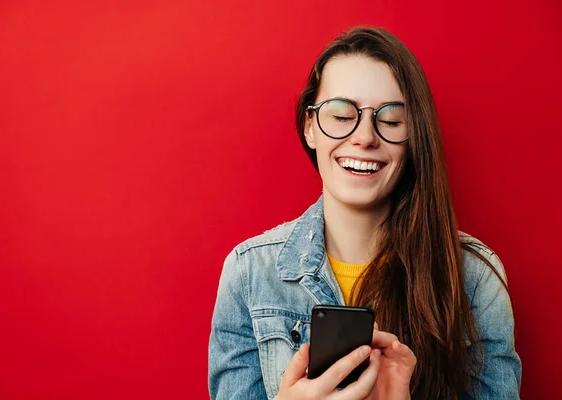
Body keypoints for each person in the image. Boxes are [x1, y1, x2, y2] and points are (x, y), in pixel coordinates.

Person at [208, 26, 521, 399]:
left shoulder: (474, 279)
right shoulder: (248, 273)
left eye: (390, 120)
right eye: (341, 115)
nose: (365, 136)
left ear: (414, 137)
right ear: (310, 128)